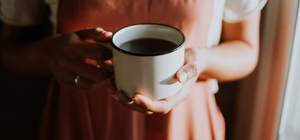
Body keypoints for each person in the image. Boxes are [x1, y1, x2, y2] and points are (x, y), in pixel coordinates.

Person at [0, 0, 267, 139]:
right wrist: (49, 53)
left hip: (184, 125)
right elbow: (12, 49)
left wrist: (201, 61)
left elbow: (245, 48)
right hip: (79, 121)